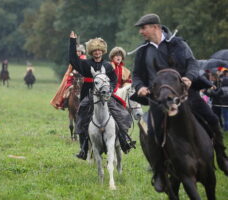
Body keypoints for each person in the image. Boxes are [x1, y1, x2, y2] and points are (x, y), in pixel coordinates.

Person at [131, 13, 228, 192]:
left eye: (143, 28)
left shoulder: (178, 43)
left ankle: (222, 158)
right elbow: (136, 75)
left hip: (185, 94)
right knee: (151, 131)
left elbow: (192, 63)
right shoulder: (143, 51)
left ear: (155, 27)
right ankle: (159, 173)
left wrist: (189, 78)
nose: (141, 32)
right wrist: (139, 87)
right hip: (158, 100)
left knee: (213, 119)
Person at [69, 31, 135, 160]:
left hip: (106, 95)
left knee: (120, 113)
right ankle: (84, 148)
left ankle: (123, 141)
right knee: (83, 118)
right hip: (89, 95)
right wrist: (72, 42)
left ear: (102, 51)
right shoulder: (85, 64)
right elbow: (72, 59)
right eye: (95, 50)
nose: (97, 52)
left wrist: (110, 90)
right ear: (91, 52)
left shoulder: (107, 66)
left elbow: (114, 80)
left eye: (99, 50)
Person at [50, 44, 86, 110]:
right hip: (73, 79)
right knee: (67, 91)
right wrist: (72, 74)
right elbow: (71, 70)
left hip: (82, 79)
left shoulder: (83, 59)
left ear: (82, 52)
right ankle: (65, 103)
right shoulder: (74, 59)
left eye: (79, 51)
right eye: (76, 51)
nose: (77, 53)